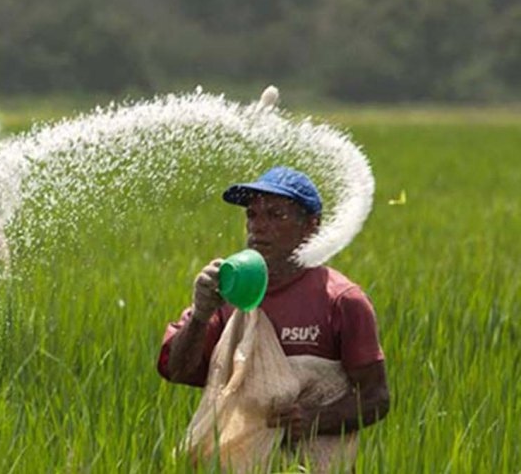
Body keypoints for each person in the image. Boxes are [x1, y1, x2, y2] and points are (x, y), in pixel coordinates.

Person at [158, 166, 389, 447]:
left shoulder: (341, 301)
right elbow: (178, 370)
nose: (258, 226)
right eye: (252, 215)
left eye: (275, 215)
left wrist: (314, 418)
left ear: (310, 226)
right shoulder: (228, 293)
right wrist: (200, 315)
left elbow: (376, 397)